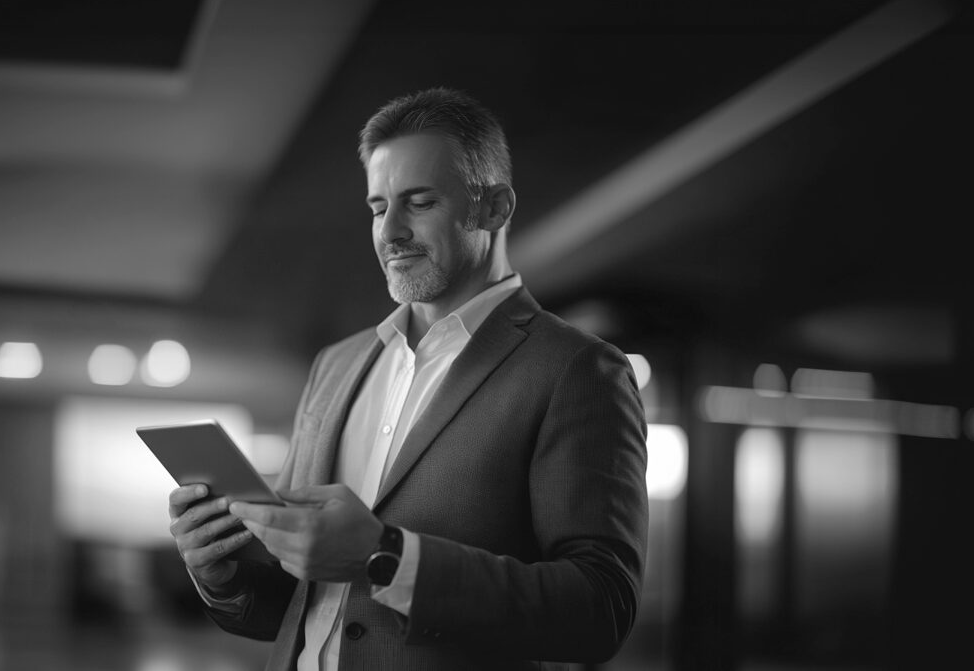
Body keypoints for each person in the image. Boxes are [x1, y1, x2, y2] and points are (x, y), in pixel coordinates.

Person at [167, 87, 648, 671]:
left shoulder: (577, 371)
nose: (389, 232)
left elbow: (600, 612)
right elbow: (291, 609)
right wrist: (221, 572)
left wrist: (384, 557)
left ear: (494, 208)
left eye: (418, 202)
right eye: (377, 208)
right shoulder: (336, 365)